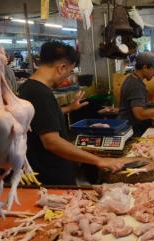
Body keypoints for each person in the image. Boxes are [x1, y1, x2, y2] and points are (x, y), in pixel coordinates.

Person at [19, 41, 124, 186]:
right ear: (62, 68)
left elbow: (40, 119)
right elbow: (52, 142)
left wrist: (69, 108)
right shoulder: (40, 93)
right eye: (70, 71)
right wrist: (98, 160)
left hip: (43, 169)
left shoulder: (28, 87)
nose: (68, 77)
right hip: (50, 175)